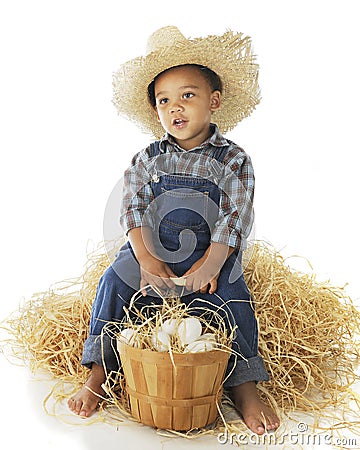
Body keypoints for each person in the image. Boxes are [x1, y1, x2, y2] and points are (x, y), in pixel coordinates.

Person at [68, 26, 280, 435]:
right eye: (164, 100)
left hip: (209, 248)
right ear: (156, 111)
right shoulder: (148, 158)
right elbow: (132, 209)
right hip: (153, 246)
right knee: (113, 281)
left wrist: (210, 264)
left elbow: (236, 215)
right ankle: (98, 371)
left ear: (214, 102)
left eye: (188, 95)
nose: (175, 107)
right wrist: (146, 260)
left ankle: (244, 383)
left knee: (234, 296)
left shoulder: (233, 158)